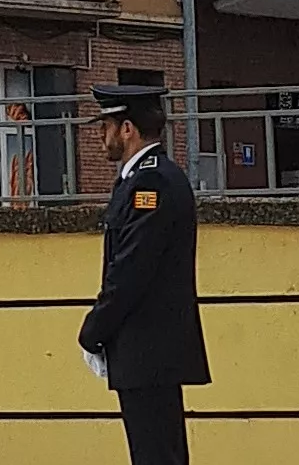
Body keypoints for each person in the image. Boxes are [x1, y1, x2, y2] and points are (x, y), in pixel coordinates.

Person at [77, 84, 211, 465]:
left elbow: (131, 269)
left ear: (127, 129)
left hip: (147, 351)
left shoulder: (151, 182)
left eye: (106, 126)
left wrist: (93, 331)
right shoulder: (143, 178)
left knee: (155, 455)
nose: (101, 136)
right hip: (147, 352)